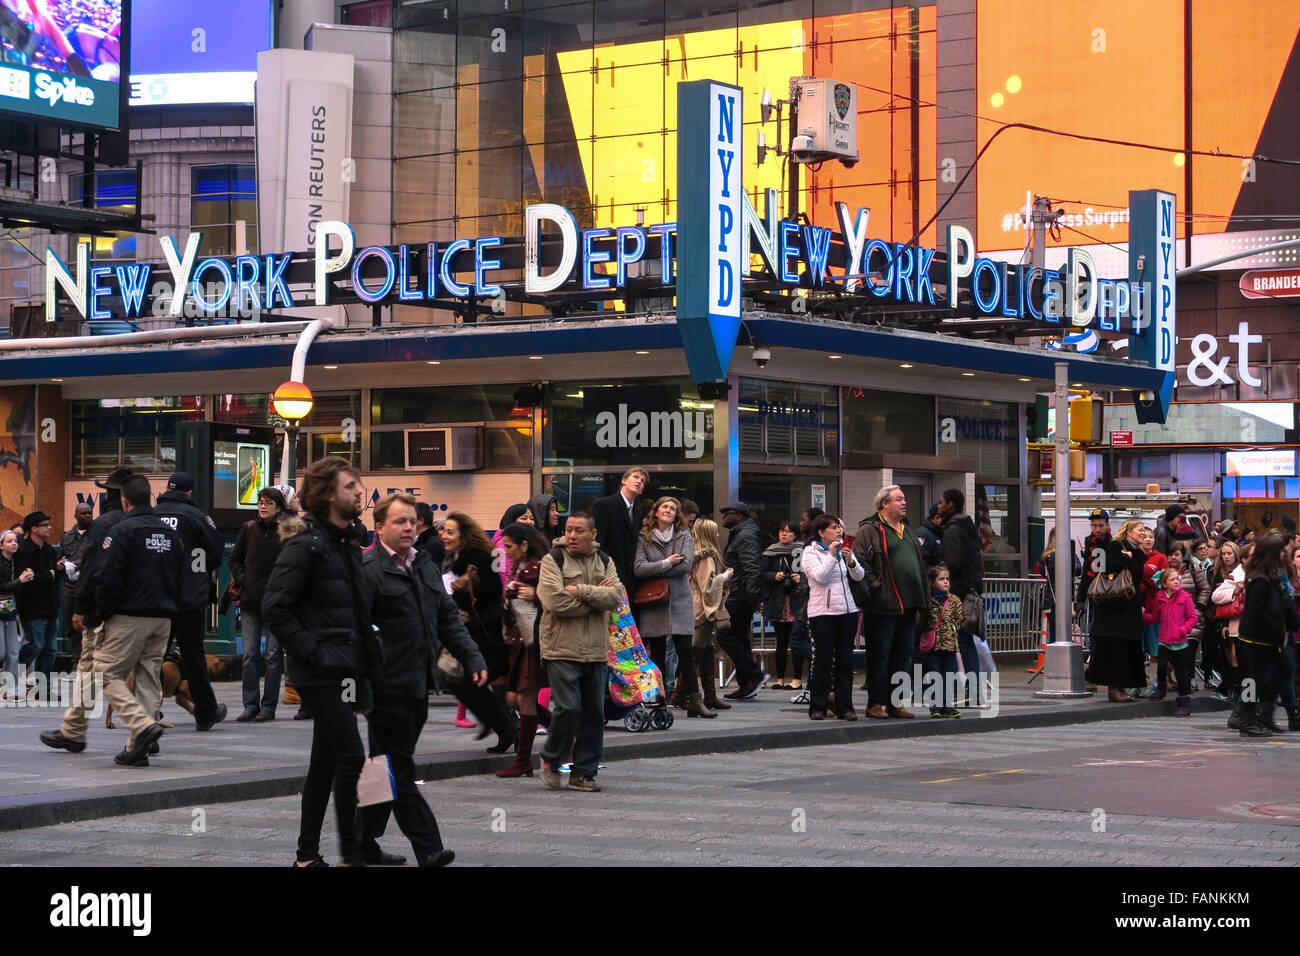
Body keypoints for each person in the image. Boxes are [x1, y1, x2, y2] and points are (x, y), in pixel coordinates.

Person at [262, 456, 382, 867]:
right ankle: (352, 853)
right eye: (350, 486)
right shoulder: (305, 544)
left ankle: (306, 856)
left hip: (345, 668)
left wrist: (364, 675)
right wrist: (311, 652)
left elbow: (359, 617)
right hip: (319, 672)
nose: (359, 492)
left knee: (325, 762)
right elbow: (276, 608)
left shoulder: (345, 542)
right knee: (353, 757)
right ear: (329, 493)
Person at [360, 493, 485, 866]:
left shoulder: (425, 564)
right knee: (398, 766)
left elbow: (447, 616)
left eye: (412, 521)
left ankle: (360, 843)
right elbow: (357, 634)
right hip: (385, 686)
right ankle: (428, 847)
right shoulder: (368, 569)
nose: (408, 528)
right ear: (379, 527)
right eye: (399, 522)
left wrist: (471, 655)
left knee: (381, 764)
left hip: (418, 681)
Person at [91, 475, 185, 767]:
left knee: (106, 673)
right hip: (163, 616)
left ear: (124, 501)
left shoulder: (122, 530)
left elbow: (107, 576)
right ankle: (138, 747)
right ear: (151, 498)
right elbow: (182, 575)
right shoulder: (169, 533)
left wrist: (104, 614)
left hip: (130, 615)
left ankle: (141, 726)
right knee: (148, 678)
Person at [41, 467, 133, 753]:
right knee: (142, 672)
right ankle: (141, 731)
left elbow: (92, 568)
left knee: (93, 667)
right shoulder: (144, 521)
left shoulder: (104, 523)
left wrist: (81, 607)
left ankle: (79, 730)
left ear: (110, 493)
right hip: (143, 610)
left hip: (105, 611)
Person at [536, 511, 623, 792]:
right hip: (561, 647)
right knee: (568, 709)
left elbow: (616, 597)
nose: (572, 536)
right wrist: (596, 596)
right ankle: (550, 758)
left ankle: (583, 773)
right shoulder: (553, 559)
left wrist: (581, 591)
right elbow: (554, 601)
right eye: (569, 530)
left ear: (592, 534)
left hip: (596, 650)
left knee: (594, 715)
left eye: (579, 531)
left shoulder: (605, 560)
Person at [154, 471, 227, 732]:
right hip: (189, 598)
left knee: (154, 655)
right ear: (189, 492)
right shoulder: (196, 516)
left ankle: (149, 712)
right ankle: (206, 712)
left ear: (165, 488)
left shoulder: (150, 515)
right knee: (193, 654)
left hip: (155, 598)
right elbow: (216, 553)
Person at [440, 511, 516, 751]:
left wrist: (466, 593)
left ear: (464, 534)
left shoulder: (477, 556)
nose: (444, 535)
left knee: (469, 680)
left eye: (450, 531)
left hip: (486, 632)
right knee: (463, 680)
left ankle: (506, 728)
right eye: (443, 530)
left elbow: (493, 590)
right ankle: (501, 726)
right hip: (470, 630)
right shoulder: (453, 557)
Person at [854, 485, 927, 719]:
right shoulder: (870, 529)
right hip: (882, 604)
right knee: (880, 654)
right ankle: (875, 703)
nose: (904, 502)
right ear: (884, 504)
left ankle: (896, 703)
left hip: (908, 604)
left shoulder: (906, 529)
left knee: (903, 655)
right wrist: (876, 588)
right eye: (898, 499)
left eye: (904, 498)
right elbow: (860, 561)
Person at [634, 496, 710, 717]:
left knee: (685, 651)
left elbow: (686, 565)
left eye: (673, 508)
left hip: (679, 600)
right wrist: (667, 563)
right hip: (654, 600)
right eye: (665, 507)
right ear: (656, 512)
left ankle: (695, 700)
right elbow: (639, 569)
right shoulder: (643, 536)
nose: (669, 510)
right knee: (657, 652)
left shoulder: (684, 535)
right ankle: (658, 701)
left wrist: (656, 567)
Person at [495, 521, 554, 777]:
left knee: (524, 699)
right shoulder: (521, 568)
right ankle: (567, 735)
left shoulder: (538, 568)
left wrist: (534, 594)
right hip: (520, 642)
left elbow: (557, 596)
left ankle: (523, 760)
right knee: (515, 698)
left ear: (524, 545)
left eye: (509, 546)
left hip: (532, 643)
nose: (505, 551)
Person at [228, 486, 288, 722]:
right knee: (249, 655)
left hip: (277, 601)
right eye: (260, 502)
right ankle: (250, 704)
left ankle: (268, 707)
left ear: (279, 507)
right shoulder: (249, 529)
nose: (263, 506)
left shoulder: (289, 529)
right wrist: (244, 578)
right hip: (251, 600)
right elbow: (234, 559)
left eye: (268, 503)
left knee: (273, 656)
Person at [1233, 534, 1299, 737]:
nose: (1283, 554)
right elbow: (1257, 611)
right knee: (1255, 679)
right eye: (1280, 551)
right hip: (1258, 637)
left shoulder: (1271, 575)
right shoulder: (1260, 579)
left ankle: (1263, 716)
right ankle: (1245, 717)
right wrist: (1275, 629)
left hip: (1269, 636)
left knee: (1283, 669)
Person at [802, 514, 865, 720]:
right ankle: (818, 706)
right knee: (823, 660)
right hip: (822, 613)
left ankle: (845, 707)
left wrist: (850, 561)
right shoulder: (811, 552)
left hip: (848, 612)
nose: (838, 531)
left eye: (839, 527)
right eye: (832, 528)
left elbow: (859, 575)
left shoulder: (845, 547)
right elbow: (820, 577)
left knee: (845, 661)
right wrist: (831, 556)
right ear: (821, 533)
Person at [1083, 519, 1149, 701]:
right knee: (1116, 648)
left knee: (1125, 648)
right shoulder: (1116, 545)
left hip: (1127, 607)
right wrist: (1125, 558)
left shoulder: (1137, 550)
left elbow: (1137, 575)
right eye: (1139, 530)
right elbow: (1102, 567)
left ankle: (1121, 687)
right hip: (1114, 608)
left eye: (1144, 530)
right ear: (1128, 532)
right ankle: (1115, 688)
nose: (1143, 533)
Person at [718, 502, 769, 701]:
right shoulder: (741, 533)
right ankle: (747, 685)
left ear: (738, 516)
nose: (723, 517)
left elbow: (752, 568)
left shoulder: (745, 535)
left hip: (739, 595)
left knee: (725, 635)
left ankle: (754, 674)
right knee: (739, 638)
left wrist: (752, 596)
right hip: (741, 594)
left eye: (726, 514)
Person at [937, 488, 983, 695]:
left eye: (941, 502)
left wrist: (941, 568)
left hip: (960, 592)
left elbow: (954, 563)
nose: (939, 506)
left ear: (951, 505)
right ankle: (970, 688)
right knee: (965, 641)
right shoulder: (967, 527)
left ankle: (970, 690)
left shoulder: (953, 530)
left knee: (962, 641)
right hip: (970, 590)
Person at [1143, 559, 1199, 718]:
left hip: (1180, 643)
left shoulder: (1185, 597)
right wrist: (1143, 616)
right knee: (1161, 667)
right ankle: (1161, 687)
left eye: (1177, 579)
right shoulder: (1160, 597)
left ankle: (1184, 704)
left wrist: (1182, 630)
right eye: (1173, 579)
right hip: (1164, 641)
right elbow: (1155, 617)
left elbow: (1193, 618)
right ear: (1164, 583)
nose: (1177, 581)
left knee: (1182, 674)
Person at [14, 509, 62, 687]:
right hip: (32, 606)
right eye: (45, 525)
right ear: (34, 528)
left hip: (51, 606)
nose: (49, 528)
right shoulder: (23, 550)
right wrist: (48, 575)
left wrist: (52, 573)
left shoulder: (49, 550)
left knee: (50, 649)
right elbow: (27, 578)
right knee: (36, 644)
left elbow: (53, 574)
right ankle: (13, 672)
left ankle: (44, 688)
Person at [689, 517, 733, 712]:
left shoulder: (695, 554)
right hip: (701, 609)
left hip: (696, 607)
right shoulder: (706, 557)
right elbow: (708, 587)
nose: (717, 534)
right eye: (714, 531)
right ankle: (681, 695)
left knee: (706, 652)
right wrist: (725, 576)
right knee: (696, 653)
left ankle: (710, 696)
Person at [761, 521, 808, 691]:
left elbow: (811, 571)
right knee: (780, 642)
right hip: (778, 602)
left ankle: (797, 679)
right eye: (782, 531)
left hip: (797, 601)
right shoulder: (771, 551)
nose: (784, 534)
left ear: (796, 534)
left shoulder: (803, 551)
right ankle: (779, 678)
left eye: (788, 531)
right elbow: (762, 572)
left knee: (797, 642)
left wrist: (800, 578)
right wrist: (775, 576)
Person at [592, 468, 647, 606]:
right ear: (623, 480)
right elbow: (598, 544)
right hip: (611, 577)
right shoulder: (604, 505)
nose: (639, 481)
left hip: (632, 579)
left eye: (643, 481)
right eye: (636, 477)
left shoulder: (637, 511)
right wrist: (612, 571)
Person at [921, 564, 967, 718]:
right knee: (934, 676)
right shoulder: (927, 600)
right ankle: (935, 706)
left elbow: (961, 620)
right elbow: (921, 620)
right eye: (941, 579)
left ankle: (947, 706)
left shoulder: (954, 600)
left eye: (947, 579)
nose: (946, 582)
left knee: (948, 676)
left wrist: (953, 628)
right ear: (932, 583)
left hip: (949, 646)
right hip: (933, 646)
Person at [58, 502, 95, 659]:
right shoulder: (67, 536)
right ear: (76, 515)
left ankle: (90, 660)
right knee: (72, 625)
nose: (87, 516)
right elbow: (59, 557)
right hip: (71, 584)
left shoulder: (96, 533)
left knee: (91, 624)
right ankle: (76, 660)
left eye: (89, 513)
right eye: (83, 513)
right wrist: (61, 564)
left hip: (91, 585)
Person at [1210, 541, 1245, 701]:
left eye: (1229, 553)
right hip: (1224, 620)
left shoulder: (1242, 573)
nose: (1226, 557)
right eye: (1223, 553)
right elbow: (1215, 596)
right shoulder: (1218, 572)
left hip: (1241, 622)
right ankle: (1234, 689)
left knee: (1239, 660)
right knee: (1229, 658)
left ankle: (1240, 693)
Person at [0, 530, 33, 701]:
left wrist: (27, 577)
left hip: (10, 609)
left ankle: (9, 689)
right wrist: (20, 580)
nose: (14, 543)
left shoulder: (16, 562)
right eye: (9, 541)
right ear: (1, 545)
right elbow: (3, 587)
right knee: (1, 651)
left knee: (13, 652)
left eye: (15, 541)